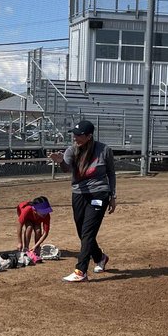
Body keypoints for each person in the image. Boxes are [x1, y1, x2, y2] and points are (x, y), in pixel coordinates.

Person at [48, 119, 116, 283]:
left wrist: (112, 196)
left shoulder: (104, 150)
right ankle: (100, 257)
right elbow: (67, 169)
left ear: (89, 136)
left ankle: (81, 271)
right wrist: (60, 162)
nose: (75, 138)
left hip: (99, 194)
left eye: (79, 135)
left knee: (88, 231)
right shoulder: (72, 150)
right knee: (82, 231)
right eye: (74, 134)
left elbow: (111, 174)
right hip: (79, 193)